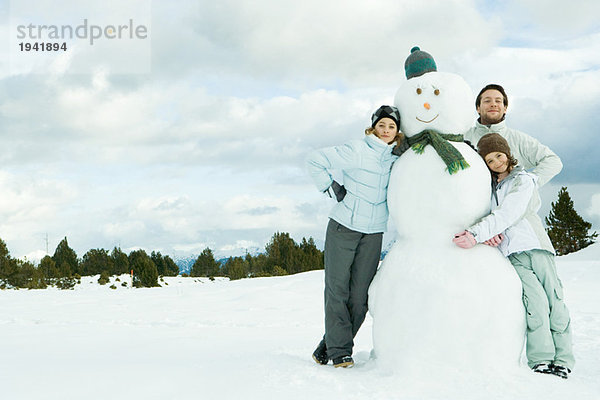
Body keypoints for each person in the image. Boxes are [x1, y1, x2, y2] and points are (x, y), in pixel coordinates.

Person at [453, 133, 574, 379]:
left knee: (554, 302)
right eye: (489, 160)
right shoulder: (489, 190)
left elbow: (510, 212)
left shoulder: (525, 180)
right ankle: (541, 359)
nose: (496, 162)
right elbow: (490, 215)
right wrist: (489, 235)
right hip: (513, 254)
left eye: (499, 155)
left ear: (508, 155)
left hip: (537, 247)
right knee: (535, 305)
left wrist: (476, 234)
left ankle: (562, 359)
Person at [305, 105, 406, 368]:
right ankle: (340, 352)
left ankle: (328, 346)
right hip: (343, 227)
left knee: (361, 296)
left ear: (397, 131)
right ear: (373, 127)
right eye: (381, 125)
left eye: (391, 126)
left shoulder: (397, 158)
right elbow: (315, 159)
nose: (385, 130)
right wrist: (330, 186)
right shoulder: (357, 150)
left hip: (373, 233)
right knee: (337, 290)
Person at [464, 84, 562, 187]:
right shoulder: (463, 138)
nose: (493, 104)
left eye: (498, 101)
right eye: (487, 101)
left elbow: (553, 161)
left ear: (505, 108)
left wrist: (527, 182)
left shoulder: (519, 139)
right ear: (478, 108)